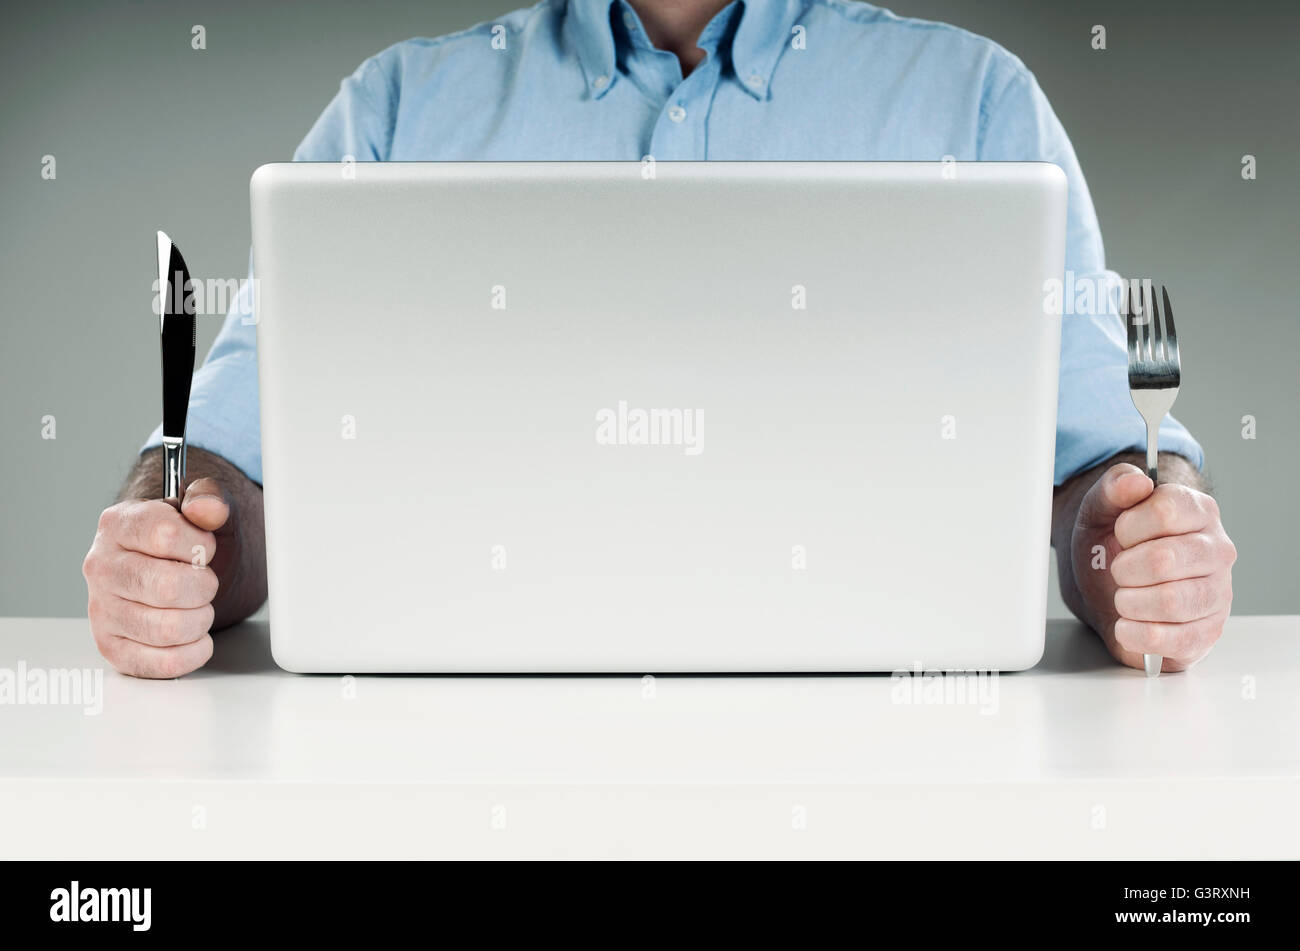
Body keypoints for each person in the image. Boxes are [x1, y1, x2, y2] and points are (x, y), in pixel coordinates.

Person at [82, 0, 1236, 678]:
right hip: (439, 744)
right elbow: (224, 462)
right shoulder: (398, 108)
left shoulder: (977, 101)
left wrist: (1139, 550)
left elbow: (1102, 465)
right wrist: (172, 550)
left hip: (904, 756)